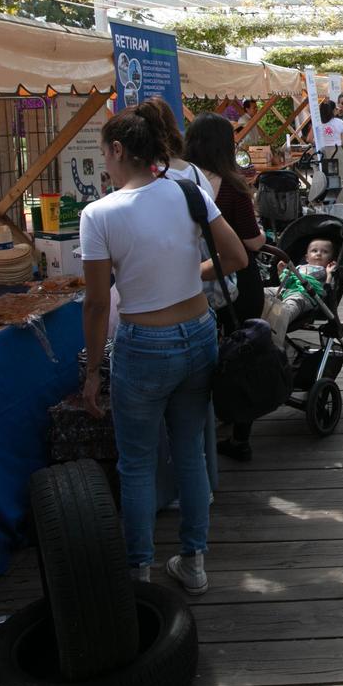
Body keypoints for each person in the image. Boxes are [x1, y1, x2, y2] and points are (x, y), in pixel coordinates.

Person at [79, 108, 249, 595]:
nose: (104, 164)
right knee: (191, 451)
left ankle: (139, 570)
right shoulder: (187, 190)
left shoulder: (100, 214)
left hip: (143, 345)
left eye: (104, 153)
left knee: (137, 463)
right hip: (197, 332)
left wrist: (92, 370)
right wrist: (185, 275)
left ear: (117, 151)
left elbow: (95, 304)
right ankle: (193, 562)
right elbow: (237, 257)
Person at [185, 114, 268, 464]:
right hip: (238, 281)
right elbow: (251, 241)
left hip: (195, 282)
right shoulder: (233, 187)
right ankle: (240, 435)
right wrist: (264, 236)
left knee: (204, 359)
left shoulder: (180, 184)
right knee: (241, 356)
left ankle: (202, 430)